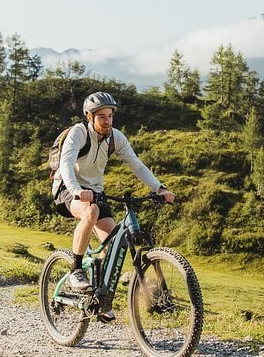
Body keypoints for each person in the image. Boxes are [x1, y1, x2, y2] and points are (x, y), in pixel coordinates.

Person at [51, 92, 174, 302]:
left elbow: (137, 165)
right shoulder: (78, 133)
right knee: (91, 211)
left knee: (114, 244)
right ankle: (76, 270)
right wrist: (77, 191)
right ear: (89, 117)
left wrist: (159, 188)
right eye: (101, 117)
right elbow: (67, 165)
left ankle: (100, 297)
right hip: (67, 188)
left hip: (95, 191)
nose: (107, 121)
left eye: (110, 116)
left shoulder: (116, 137)